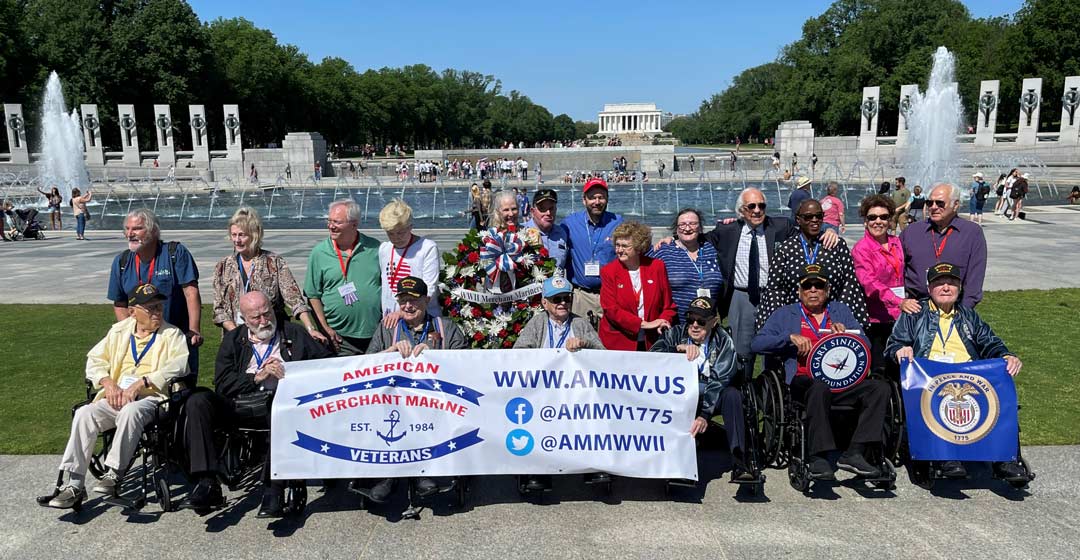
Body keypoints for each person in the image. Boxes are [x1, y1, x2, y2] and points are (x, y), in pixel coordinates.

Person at [183, 291, 331, 516]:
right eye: (256, 317)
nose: (264, 321)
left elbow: (325, 367)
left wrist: (289, 375)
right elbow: (222, 383)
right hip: (239, 403)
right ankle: (206, 481)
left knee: (280, 409)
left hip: (281, 405)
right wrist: (257, 377)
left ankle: (273, 488)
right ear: (244, 318)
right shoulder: (234, 340)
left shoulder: (292, 333)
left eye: (267, 313)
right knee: (197, 401)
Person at [42, 284, 189, 509]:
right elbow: (95, 360)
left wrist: (143, 382)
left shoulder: (172, 334)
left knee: (132, 410)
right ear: (133, 312)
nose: (158, 312)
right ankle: (74, 485)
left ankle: (113, 474)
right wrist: (107, 382)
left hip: (151, 400)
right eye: (151, 308)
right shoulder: (119, 331)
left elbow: (178, 366)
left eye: (159, 306)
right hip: (117, 396)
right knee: (84, 414)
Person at [885, 262, 1028, 482]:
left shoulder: (969, 316)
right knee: (938, 395)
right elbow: (893, 345)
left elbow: (989, 342)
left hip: (967, 375)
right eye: (939, 283)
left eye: (951, 283)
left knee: (999, 388)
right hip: (930, 378)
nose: (945, 287)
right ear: (930, 288)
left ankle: (1005, 460)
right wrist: (900, 350)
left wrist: (1006, 355)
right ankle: (946, 457)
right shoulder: (915, 313)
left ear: (959, 287)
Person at [752, 265, 889, 479]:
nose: (813, 290)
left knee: (879, 388)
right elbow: (757, 343)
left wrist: (849, 334)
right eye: (807, 286)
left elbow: (865, 343)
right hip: (802, 381)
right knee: (819, 386)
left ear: (827, 290)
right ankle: (817, 456)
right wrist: (788, 338)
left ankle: (855, 452)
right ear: (799, 291)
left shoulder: (840, 311)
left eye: (819, 286)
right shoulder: (785, 314)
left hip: (843, 381)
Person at [356, 276, 468, 503]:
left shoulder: (445, 327)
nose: (408, 306)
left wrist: (435, 355)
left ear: (426, 301)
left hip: (435, 399)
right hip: (393, 400)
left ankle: (421, 472)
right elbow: (365, 364)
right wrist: (390, 351)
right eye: (403, 300)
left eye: (414, 301)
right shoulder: (388, 327)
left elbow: (465, 362)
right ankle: (390, 475)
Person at [651, 297, 751, 480]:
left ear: (713, 322)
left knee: (733, 395)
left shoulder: (723, 340)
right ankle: (678, 462)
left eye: (701, 321)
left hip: (712, 393)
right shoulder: (675, 333)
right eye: (691, 320)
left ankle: (740, 461)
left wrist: (705, 414)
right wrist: (676, 351)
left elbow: (721, 379)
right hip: (681, 393)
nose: (695, 325)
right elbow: (652, 358)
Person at [108, 209, 203, 374]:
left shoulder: (175, 253)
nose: (130, 233)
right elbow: (120, 303)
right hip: (141, 341)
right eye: (127, 228)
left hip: (175, 337)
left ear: (153, 231)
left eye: (137, 228)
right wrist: (128, 332)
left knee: (180, 389)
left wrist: (193, 329)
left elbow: (191, 293)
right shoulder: (121, 261)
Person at [212, 207, 325, 341]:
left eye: (242, 235)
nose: (237, 240)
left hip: (272, 336)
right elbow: (218, 309)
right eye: (234, 235)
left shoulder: (274, 262)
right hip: (237, 339)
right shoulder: (223, 266)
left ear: (255, 235)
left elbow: (295, 299)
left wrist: (310, 328)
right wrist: (238, 333)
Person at [755, 198, 869, 332]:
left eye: (819, 216)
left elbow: (849, 284)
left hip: (831, 320)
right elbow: (775, 288)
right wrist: (781, 322)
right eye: (808, 217)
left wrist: (840, 317)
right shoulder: (786, 249)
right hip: (795, 319)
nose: (814, 220)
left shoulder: (837, 246)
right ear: (798, 219)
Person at [304, 199, 382, 356]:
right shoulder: (319, 253)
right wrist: (325, 328)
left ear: (354, 224)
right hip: (339, 338)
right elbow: (312, 295)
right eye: (329, 221)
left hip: (376, 334)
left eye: (337, 222)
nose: (331, 226)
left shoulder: (375, 248)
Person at [852, 195, 918, 375]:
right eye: (872, 217)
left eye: (883, 217)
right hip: (877, 319)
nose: (878, 221)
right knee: (880, 370)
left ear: (890, 220)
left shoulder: (897, 243)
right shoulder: (861, 249)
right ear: (865, 221)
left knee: (905, 368)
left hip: (901, 317)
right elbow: (869, 283)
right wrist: (898, 300)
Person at [899, 183, 986, 307]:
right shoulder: (911, 232)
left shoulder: (971, 233)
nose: (933, 207)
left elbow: (975, 278)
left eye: (940, 203)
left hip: (955, 310)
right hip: (916, 308)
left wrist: (964, 312)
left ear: (955, 205)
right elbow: (896, 271)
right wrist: (901, 301)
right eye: (930, 203)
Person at [599, 221, 676, 351]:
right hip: (620, 341)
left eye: (625, 246)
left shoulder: (657, 267)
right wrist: (644, 324)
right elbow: (611, 309)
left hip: (652, 340)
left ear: (639, 247)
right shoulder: (609, 271)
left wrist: (663, 321)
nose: (619, 250)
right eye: (617, 245)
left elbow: (668, 306)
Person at [562, 178, 623, 322]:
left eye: (601, 197)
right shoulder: (570, 223)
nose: (597, 202)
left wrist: (669, 240)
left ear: (607, 199)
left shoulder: (618, 222)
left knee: (608, 342)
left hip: (610, 295)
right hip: (580, 296)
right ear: (584, 200)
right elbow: (549, 235)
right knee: (581, 340)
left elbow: (636, 245)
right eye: (592, 198)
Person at [650, 208, 724, 323]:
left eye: (693, 224)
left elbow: (732, 236)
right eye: (682, 224)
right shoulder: (664, 251)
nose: (688, 228)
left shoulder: (711, 248)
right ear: (676, 228)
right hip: (676, 323)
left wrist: (734, 221)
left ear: (700, 227)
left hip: (707, 323)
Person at [377, 199, 441, 319]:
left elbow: (429, 289)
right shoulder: (384, 249)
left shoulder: (427, 248)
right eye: (390, 233)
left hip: (420, 317)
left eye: (401, 232)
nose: (396, 238)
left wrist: (402, 312)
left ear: (410, 227)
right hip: (390, 318)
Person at [521, 188, 569, 270]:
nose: (548, 213)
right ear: (532, 211)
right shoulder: (521, 233)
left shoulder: (562, 233)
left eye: (551, 208)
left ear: (556, 210)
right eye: (542, 209)